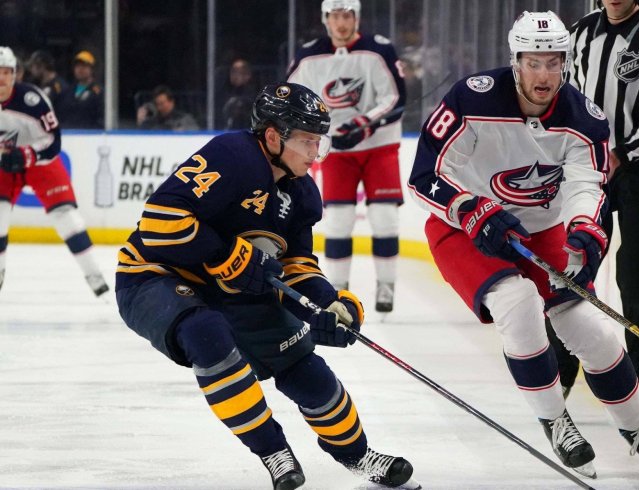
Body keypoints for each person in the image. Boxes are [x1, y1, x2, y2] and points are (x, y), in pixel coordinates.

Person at [408, 11, 639, 477]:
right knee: (517, 302)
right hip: (463, 230)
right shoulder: (470, 98)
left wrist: (586, 230)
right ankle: (556, 420)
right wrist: (471, 209)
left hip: (540, 229)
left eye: (554, 63)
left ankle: (637, 430)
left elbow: (587, 186)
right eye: (534, 63)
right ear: (516, 61)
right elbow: (422, 177)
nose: (545, 75)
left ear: (566, 62)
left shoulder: (584, 118)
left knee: (593, 331)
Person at [115, 83, 419, 490]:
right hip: (155, 276)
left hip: (232, 288)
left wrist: (330, 304)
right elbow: (159, 221)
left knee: (301, 364)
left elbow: (295, 264)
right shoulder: (232, 156)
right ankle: (273, 451)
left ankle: (359, 457)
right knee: (206, 334)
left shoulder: (302, 194)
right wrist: (226, 256)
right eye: (307, 141)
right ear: (273, 137)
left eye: (319, 142)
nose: (316, 154)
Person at [569, 0, 639, 412]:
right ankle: (560, 376)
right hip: (586, 172)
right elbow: (566, 100)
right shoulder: (580, 33)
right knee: (572, 269)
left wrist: (622, 153)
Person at [287, 0, 406, 313]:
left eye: (347, 15)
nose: (342, 23)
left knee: (385, 218)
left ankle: (386, 287)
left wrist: (365, 123)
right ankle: (338, 291)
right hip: (336, 150)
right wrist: (320, 131)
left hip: (379, 146)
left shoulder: (379, 49)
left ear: (357, 17)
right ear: (326, 19)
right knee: (338, 222)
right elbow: (293, 97)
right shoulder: (310, 54)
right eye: (336, 16)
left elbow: (395, 97)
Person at [0, 46, 109, 297]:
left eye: (6, 72)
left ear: (16, 74)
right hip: (5, 163)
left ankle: (95, 278)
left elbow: (54, 142)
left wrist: (29, 154)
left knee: (67, 218)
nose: (1, 79)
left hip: (40, 162)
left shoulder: (32, 100)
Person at [58, 50, 104, 129]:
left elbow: (100, 118)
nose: (80, 69)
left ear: (92, 69)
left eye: (84, 66)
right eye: (77, 66)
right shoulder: (68, 91)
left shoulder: (98, 92)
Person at [217, 58, 258, 129]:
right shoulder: (225, 90)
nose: (234, 75)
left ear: (247, 75)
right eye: (233, 71)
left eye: (238, 72)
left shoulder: (254, 93)